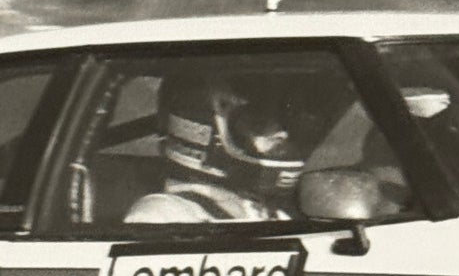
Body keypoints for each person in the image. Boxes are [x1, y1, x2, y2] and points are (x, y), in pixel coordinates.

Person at [126, 73, 320, 224]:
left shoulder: (271, 212)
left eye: (278, 119)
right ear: (201, 129)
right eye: (258, 121)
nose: (282, 133)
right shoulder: (162, 215)